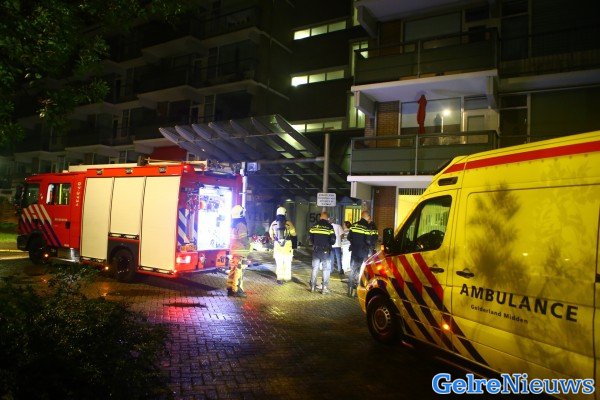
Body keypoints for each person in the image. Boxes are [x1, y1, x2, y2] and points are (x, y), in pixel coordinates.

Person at [347, 211, 377, 298]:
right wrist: (369, 246)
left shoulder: (354, 225)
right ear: (367, 216)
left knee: (352, 270)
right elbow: (368, 240)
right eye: (368, 216)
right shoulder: (367, 227)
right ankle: (357, 293)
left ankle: (349, 291)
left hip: (354, 251)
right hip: (363, 252)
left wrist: (354, 243)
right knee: (361, 272)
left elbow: (349, 237)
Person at [308, 211, 336, 294]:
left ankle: (313, 287)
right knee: (326, 269)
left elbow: (310, 238)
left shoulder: (314, 226)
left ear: (320, 217)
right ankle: (324, 288)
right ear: (327, 218)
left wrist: (315, 244)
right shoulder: (329, 227)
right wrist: (329, 244)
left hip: (316, 250)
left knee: (315, 268)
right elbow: (333, 240)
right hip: (325, 251)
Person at [227, 204, 250, 298]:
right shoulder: (241, 225)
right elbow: (244, 240)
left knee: (233, 269)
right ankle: (237, 289)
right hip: (241, 252)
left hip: (233, 251)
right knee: (239, 271)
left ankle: (230, 287)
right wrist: (249, 246)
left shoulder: (233, 225)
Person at [268, 206, 297, 284]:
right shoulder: (288, 223)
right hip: (287, 246)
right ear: (285, 214)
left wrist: (275, 240)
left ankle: (279, 278)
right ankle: (287, 278)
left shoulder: (273, 223)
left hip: (278, 246)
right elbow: (294, 234)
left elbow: (271, 235)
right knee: (287, 263)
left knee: (279, 263)